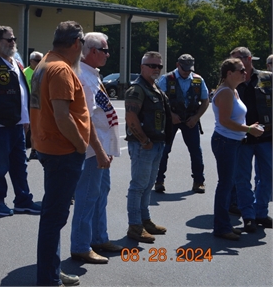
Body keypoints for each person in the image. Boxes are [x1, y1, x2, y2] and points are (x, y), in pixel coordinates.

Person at [30, 21, 110, 286]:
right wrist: (80, 145)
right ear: (77, 43)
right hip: (62, 152)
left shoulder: (43, 65)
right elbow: (63, 117)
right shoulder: (61, 70)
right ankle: (48, 279)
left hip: (48, 147)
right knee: (54, 218)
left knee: (53, 217)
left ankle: (51, 271)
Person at [70, 32, 122, 265]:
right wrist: (100, 151)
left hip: (101, 147)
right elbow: (86, 119)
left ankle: (99, 238)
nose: (108, 54)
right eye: (105, 50)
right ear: (92, 51)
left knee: (100, 194)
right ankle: (81, 246)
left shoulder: (92, 75)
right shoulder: (83, 76)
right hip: (92, 150)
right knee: (88, 196)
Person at [0, 26, 40, 216]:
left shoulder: (15, 63)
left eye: (14, 39)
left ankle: (23, 200)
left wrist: (26, 121)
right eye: (9, 39)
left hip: (17, 125)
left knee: (20, 166)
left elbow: (22, 94)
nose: (13, 42)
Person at [211, 58, 264, 240]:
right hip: (225, 142)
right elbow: (225, 121)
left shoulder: (233, 90)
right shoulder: (226, 92)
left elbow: (235, 118)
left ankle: (224, 225)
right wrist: (249, 129)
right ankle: (221, 227)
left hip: (231, 142)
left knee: (227, 184)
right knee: (225, 185)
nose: (245, 72)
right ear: (229, 73)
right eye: (241, 70)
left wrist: (249, 126)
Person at [124, 51, 171, 243]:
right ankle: (135, 226)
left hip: (156, 143)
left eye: (159, 66)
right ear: (142, 67)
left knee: (148, 186)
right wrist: (144, 141)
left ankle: (144, 220)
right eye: (152, 65)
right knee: (138, 186)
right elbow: (131, 117)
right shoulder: (137, 89)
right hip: (144, 145)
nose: (156, 69)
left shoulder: (154, 87)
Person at [230, 47, 272, 232]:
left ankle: (261, 212)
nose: (234, 64)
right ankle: (248, 216)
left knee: (267, 177)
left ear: (248, 59)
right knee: (242, 179)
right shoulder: (231, 80)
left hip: (266, 136)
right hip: (242, 138)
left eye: (237, 59)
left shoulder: (267, 77)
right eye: (231, 60)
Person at [155, 54, 209, 193]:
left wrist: (196, 117)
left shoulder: (198, 80)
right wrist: (171, 115)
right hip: (171, 120)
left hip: (191, 120)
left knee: (196, 151)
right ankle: (159, 180)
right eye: (184, 68)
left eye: (189, 69)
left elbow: (205, 101)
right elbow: (158, 100)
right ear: (177, 65)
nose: (187, 72)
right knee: (164, 150)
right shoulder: (166, 79)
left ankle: (199, 181)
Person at [24, 51, 44, 161]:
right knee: (28, 127)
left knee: (38, 128)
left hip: (41, 103)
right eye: (37, 60)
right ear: (31, 61)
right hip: (28, 103)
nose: (40, 62)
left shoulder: (43, 71)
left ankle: (35, 150)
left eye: (41, 60)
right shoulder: (25, 72)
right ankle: (24, 150)